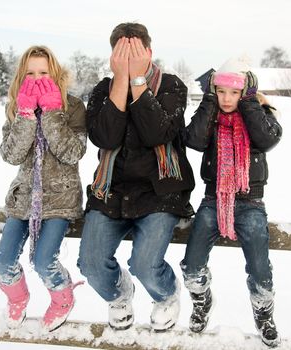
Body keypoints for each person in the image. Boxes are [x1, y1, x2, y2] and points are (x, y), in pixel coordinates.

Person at [77, 22, 195, 332]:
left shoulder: (171, 86)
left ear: (149, 53)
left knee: (144, 264)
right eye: (122, 54)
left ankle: (166, 294)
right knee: (90, 263)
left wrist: (138, 80)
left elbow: (158, 133)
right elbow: (105, 137)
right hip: (111, 191)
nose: (129, 60)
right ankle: (119, 294)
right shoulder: (103, 90)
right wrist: (120, 81)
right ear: (112, 56)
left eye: (136, 54)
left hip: (160, 192)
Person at [180, 58, 282, 347]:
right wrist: (209, 102)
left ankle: (264, 314)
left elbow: (267, 140)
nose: (227, 99)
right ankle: (201, 300)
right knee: (192, 264)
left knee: (260, 267)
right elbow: (194, 140)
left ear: (245, 92)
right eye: (220, 91)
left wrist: (250, 103)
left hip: (250, 202)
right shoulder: (210, 116)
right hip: (214, 199)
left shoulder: (260, 114)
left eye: (234, 92)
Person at [0, 45, 86, 331]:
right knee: (4, 258)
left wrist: (51, 112)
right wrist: (25, 116)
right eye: (31, 73)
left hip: (60, 198)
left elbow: (72, 152)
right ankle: (17, 299)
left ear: (55, 73)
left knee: (45, 259)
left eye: (43, 72)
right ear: (22, 76)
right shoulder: (15, 106)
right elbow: (11, 155)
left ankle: (62, 298)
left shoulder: (73, 107)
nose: (37, 78)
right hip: (23, 199)